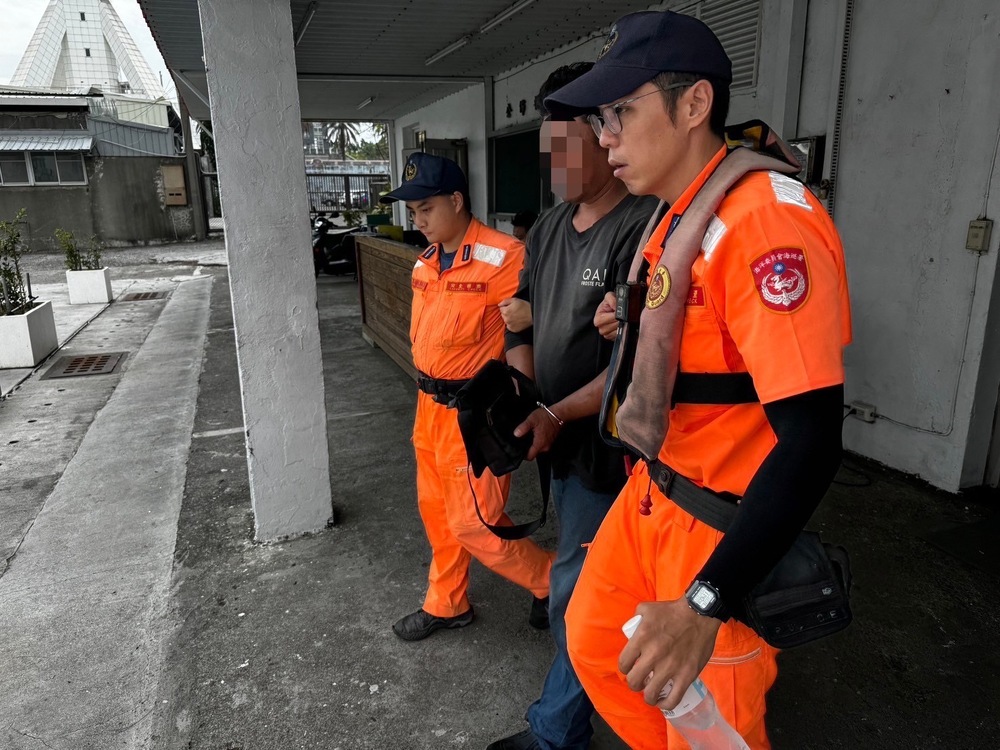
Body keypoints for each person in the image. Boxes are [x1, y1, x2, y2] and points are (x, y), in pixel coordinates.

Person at [544, 10, 852, 749]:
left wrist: (708, 601)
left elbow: (812, 441)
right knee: (594, 643)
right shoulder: (676, 215)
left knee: (708, 723)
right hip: (652, 492)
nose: (604, 134)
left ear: (693, 105)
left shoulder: (765, 225)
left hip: (716, 524)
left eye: (621, 111)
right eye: (601, 116)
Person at [489, 63, 659, 750]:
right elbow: (521, 322)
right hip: (556, 439)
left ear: (606, 137)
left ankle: (559, 731)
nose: (553, 165)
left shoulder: (643, 225)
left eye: (567, 147)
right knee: (590, 585)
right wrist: (526, 398)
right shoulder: (552, 226)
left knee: (582, 594)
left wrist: (559, 414)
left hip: (610, 450)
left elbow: (636, 362)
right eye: (545, 150)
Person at [379, 153, 554, 642]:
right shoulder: (424, 264)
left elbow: (542, 325)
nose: (418, 221)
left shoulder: (506, 257)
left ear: (457, 201)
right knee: (437, 513)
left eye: (427, 209)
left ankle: (555, 581)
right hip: (427, 409)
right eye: (412, 212)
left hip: (472, 414)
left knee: (474, 523)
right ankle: (448, 602)